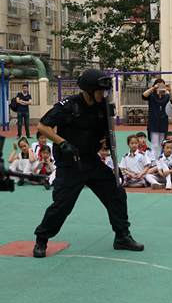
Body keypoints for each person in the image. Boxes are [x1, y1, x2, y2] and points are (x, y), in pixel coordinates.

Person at [32, 69, 144, 257]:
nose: (104, 94)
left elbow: (108, 132)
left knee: (116, 193)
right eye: (101, 91)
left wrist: (108, 145)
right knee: (62, 206)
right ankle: (41, 239)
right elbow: (42, 126)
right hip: (71, 164)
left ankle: (122, 236)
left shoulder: (103, 106)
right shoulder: (69, 105)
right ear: (89, 90)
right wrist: (62, 143)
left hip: (91, 161)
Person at [142, 77, 172, 149]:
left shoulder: (166, 96)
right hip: (153, 122)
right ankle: (154, 159)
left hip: (163, 122)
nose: (161, 88)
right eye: (159, 86)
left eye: (162, 86)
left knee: (162, 143)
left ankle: (161, 158)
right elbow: (144, 95)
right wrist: (153, 88)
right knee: (154, 144)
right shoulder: (152, 96)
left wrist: (170, 90)